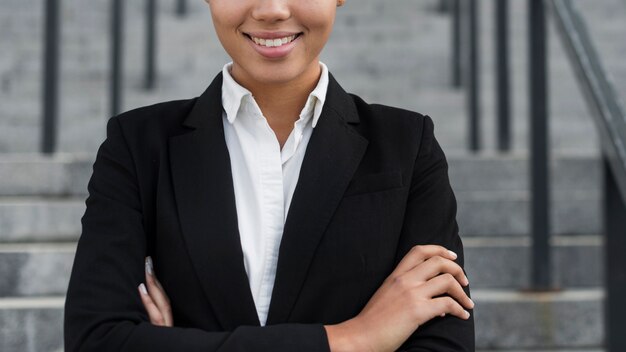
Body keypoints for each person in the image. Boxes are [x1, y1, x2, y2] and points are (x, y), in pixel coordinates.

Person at [64, 0, 475, 351]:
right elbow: (96, 339)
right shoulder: (137, 145)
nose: (272, 11)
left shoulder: (407, 144)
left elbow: (445, 340)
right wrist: (353, 339)